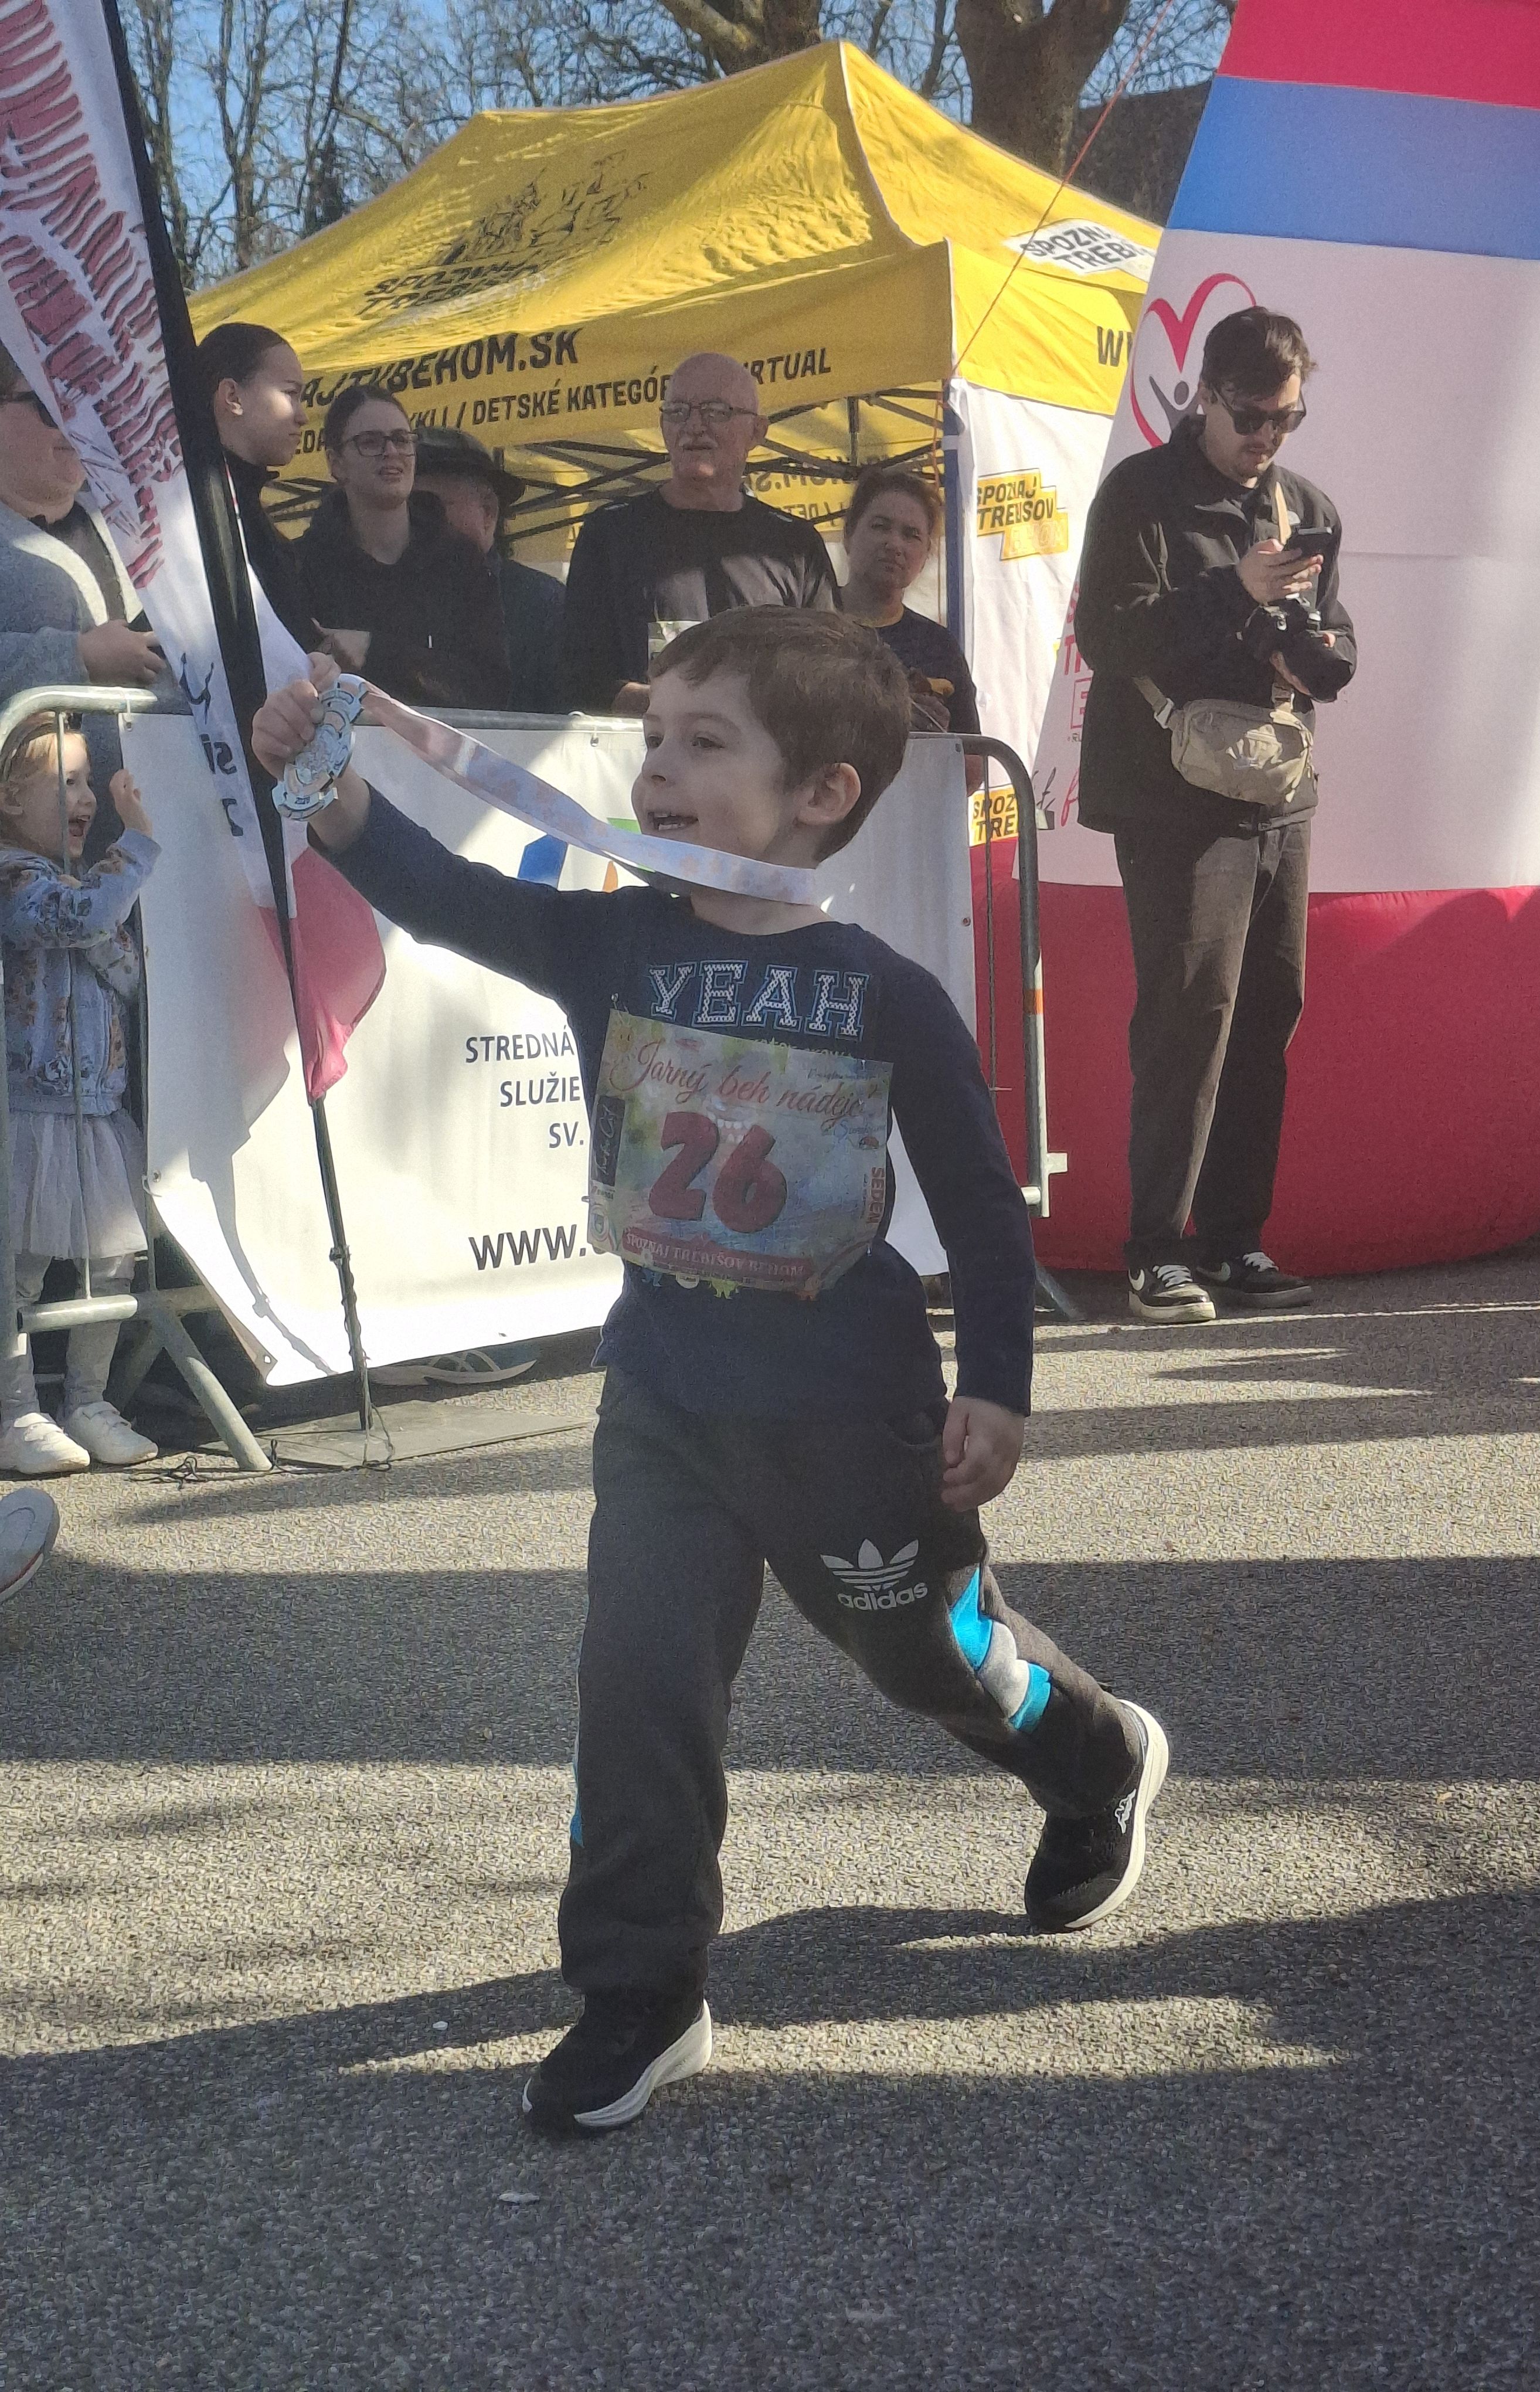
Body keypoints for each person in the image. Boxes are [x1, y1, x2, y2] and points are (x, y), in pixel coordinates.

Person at [251, 610, 1167, 2136]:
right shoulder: (612, 941)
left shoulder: (885, 991)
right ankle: (641, 1990)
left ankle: (1094, 1757)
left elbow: (980, 1204)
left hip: (851, 1423)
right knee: (638, 1683)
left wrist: (997, 1386)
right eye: (651, 737)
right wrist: (323, 779)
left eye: (702, 741)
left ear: (820, 792)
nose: (656, 768)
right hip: (663, 1407)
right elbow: (436, 889)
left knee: (929, 1659)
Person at [1073, 306, 1355, 1323]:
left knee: (1269, 1012)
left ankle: (1237, 1240)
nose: (1267, 437)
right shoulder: (1142, 493)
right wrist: (1233, 590)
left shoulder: (1305, 505)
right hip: (1172, 797)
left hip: (1277, 788)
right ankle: (1157, 1250)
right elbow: (1108, 638)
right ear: (1205, 393)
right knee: (1189, 1015)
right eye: (1252, 416)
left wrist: (1311, 652)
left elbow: (1340, 647)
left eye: (1287, 419)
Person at [0, 719, 158, 1476]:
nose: (88, 797)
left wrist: (99, 911)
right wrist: (135, 847)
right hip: (31, 1109)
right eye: (67, 782)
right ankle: (14, 1411)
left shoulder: (82, 886)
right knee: (20, 1268)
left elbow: (127, 972)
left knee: (112, 1258)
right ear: (9, 798)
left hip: (96, 1108)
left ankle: (88, 1401)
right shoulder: (13, 877)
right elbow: (84, 919)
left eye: (89, 780)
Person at [559, 352, 838, 715]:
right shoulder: (609, 535)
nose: (694, 426)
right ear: (662, 427)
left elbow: (830, 677)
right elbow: (579, 682)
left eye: (716, 411)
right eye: (677, 412)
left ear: (757, 432)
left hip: (762, 752)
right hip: (645, 749)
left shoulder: (795, 545)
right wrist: (686, 709)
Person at [0, 345, 172, 848]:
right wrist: (76, 657)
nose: (75, 420)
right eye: (50, 404)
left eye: (86, 402)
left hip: (168, 844)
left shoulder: (142, 524)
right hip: (35, 876)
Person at [297, 386, 509, 709]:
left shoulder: (460, 562)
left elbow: (490, 690)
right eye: (370, 442)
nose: (391, 452)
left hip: (446, 742)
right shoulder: (301, 565)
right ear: (336, 463)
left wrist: (372, 651)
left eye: (401, 440)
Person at [413, 424, 566, 713]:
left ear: (488, 513)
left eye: (428, 506)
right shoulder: (382, 593)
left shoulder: (543, 603)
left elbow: (565, 715)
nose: (413, 520)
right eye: (399, 506)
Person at [195, 321, 319, 653]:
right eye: (290, 394)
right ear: (232, 396)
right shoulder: (188, 516)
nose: (303, 417)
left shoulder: (253, 520)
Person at [839, 466, 978, 736]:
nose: (894, 544)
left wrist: (940, 738)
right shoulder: (808, 624)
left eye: (911, 535)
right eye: (880, 527)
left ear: (926, 555)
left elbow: (973, 758)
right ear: (848, 535)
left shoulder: (939, 647)